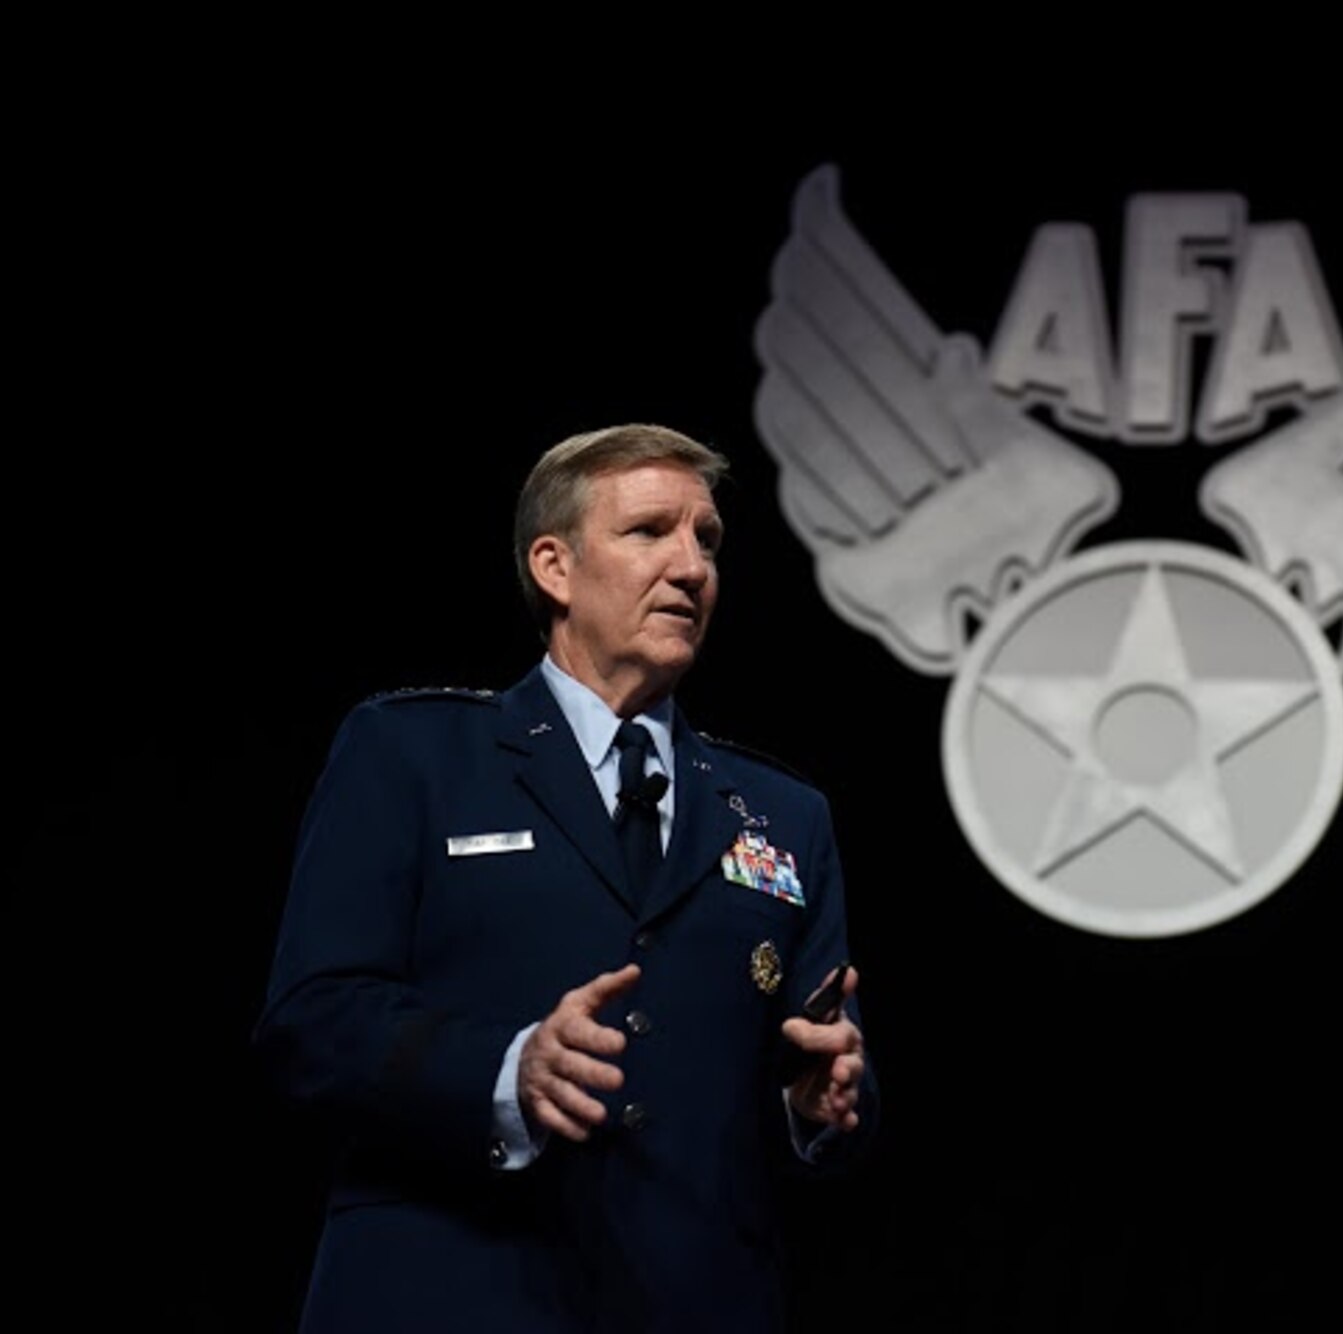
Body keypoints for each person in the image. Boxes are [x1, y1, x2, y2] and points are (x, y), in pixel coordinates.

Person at [253, 423, 876, 1333]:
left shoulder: (787, 814)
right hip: (449, 1297)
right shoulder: (415, 754)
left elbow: (830, 1080)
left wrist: (809, 1108)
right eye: (649, 532)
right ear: (554, 566)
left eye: (707, 540)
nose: (692, 566)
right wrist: (508, 1070)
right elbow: (311, 1024)